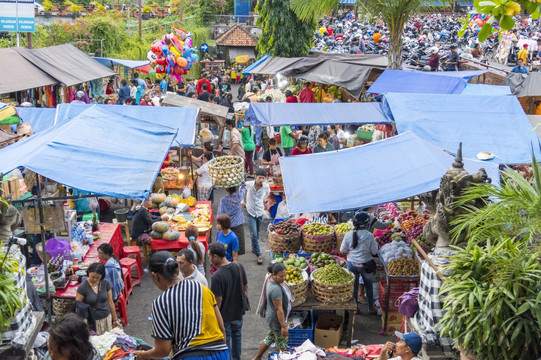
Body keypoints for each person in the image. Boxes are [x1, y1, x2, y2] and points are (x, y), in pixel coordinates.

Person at [133, 251, 229, 360]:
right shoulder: (202, 288)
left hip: (190, 355)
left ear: (155, 276)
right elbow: (221, 327)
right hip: (221, 352)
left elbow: (163, 350)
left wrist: (143, 355)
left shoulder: (161, 303)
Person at [209, 242, 248, 360]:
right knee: (237, 336)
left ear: (216, 257)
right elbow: (245, 287)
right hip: (238, 312)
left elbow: (218, 299)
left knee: (227, 340)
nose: (210, 259)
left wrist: (215, 315)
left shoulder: (216, 276)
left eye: (210, 256)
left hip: (224, 316)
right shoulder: (239, 266)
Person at [340, 212, 378, 314]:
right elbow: (374, 252)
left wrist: (352, 251)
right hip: (366, 265)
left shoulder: (348, 234)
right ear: (367, 224)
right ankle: (371, 308)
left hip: (352, 264)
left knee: (354, 287)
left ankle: (355, 309)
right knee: (368, 286)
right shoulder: (369, 236)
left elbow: (342, 250)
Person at [252, 263, 290, 360]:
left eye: (285, 275)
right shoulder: (275, 289)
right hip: (277, 320)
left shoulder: (270, 280)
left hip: (271, 317)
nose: (284, 278)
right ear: (274, 275)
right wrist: (283, 326)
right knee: (282, 347)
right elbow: (279, 309)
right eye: (281, 276)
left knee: (270, 338)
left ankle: (257, 358)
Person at [75, 262, 120, 334]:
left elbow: (110, 302)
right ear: (88, 272)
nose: (95, 279)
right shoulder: (82, 287)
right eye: (93, 277)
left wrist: (115, 319)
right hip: (91, 322)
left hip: (106, 319)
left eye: (98, 277)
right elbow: (78, 307)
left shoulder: (106, 284)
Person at [243, 169, 270, 265]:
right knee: (253, 234)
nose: (261, 180)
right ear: (255, 177)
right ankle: (258, 254)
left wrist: (260, 200)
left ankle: (254, 247)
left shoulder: (266, 187)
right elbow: (241, 189)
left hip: (259, 212)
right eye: (259, 178)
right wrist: (243, 201)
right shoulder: (249, 184)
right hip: (250, 212)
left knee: (257, 232)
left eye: (263, 178)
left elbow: (266, 194)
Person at [217, 182, 246, 256]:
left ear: (226, 189)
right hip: (238, 226)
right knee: (236, 249)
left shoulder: (223, 200)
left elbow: (220, 214)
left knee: (227, 248)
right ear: (236, 189)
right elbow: (243, 188)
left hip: (226, 227)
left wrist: (219, 226)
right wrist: (241, 180)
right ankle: (235, 264)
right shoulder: (239, 197)